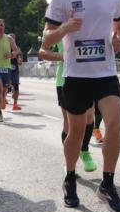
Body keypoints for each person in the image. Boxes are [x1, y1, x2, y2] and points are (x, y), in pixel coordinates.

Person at [41, 0, 120, 212]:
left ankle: (108, 183)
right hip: (76, 75)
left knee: (114, 124)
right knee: (77, 132)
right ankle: (69, 178)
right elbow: (46, 39)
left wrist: (118, 38)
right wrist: (65, 28)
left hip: (105, 73)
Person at [39, 42, 98, 172]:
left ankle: (84, 151)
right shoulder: (60, 26)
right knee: (68, 122)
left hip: (87, 78)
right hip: (64, 79)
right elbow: (43, 51)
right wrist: (63, 56)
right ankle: (70, 162)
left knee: (89, 116)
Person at [0, 19, 22, 123]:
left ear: (4, 27)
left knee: (3, 91)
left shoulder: (9, 38)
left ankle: (1, 105)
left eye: (1, 25)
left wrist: (12, 55)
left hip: (6, 68)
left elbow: (17, 50)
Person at [8, 33, 23, 111]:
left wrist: (19, 59)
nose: (12, 40)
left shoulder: (17, 48)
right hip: (6, 69)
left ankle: (15, 104)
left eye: (14, 38)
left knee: (16, 86)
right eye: (11, 38)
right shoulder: (5, 47)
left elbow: (20, 57)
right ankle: (3, 100)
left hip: (14, 70)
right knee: (6, 86)